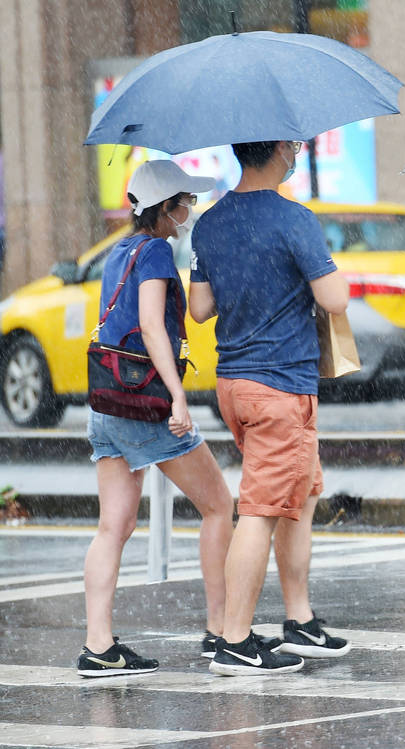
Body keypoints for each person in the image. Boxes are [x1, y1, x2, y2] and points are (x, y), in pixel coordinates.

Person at [189, 140, 351, 676]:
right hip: (281, 385)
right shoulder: (293, 218)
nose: (299, 150)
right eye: (296, 143)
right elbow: (334, 299)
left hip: (236, 384)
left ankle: (298, 620)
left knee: (297, 495)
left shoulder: (210, 223)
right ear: (280, 149)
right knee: (260, 511)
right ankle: (233, 638)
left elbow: (200, 308)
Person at [79, 160, 234, 677]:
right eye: (183, 202)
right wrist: (178, 398)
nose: (189, 209)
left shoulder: (119, 251)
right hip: (146, 405)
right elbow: (150, 325)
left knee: (113, 526)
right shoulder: (159, 252)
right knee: (218, 505)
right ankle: (220, 630)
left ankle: (98, 646)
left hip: (107, 400)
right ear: (165, 208)